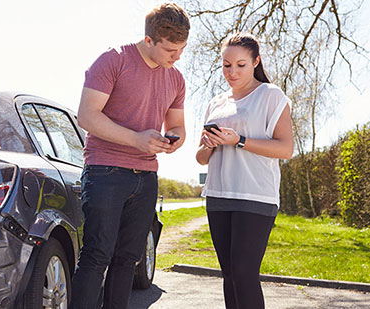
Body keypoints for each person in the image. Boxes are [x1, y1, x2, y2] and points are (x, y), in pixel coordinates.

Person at [70, 3, 190, 308]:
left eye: (182, 49)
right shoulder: (113, 60)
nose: (177, 57)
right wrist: (137, 139)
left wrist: (175, 140)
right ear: (149, 40)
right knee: (97, 254)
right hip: (105, 172)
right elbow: (87, 116)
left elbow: (176, 124)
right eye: (171, 50)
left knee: (128, 259)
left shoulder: (175, 79)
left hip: (146, 177)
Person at [196, 32, 294, 309]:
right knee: (229, 275)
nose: (232, 71)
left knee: (244, 272)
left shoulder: (271, 95)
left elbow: (285, 149)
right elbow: (201, 158)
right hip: (218, 194)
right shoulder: (216, 103)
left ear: (255, 62)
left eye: (240, 64)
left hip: (256, 195)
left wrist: (238, 140)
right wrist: (211, 144)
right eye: (227, 65)